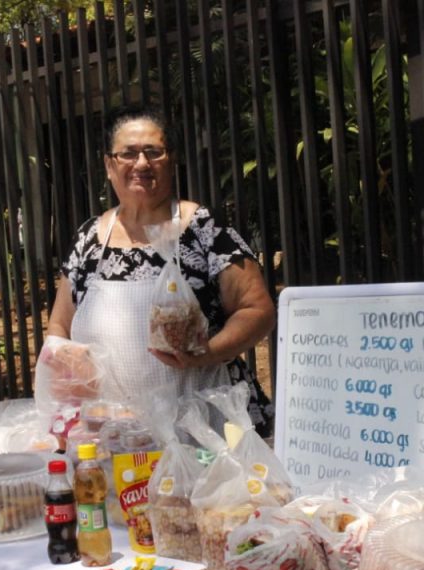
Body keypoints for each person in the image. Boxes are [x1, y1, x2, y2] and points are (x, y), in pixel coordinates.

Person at [45, 104, 277, 435]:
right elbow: (60, 324)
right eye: (128, 153)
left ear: (171, 162)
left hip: (207, 428)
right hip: (118, 434)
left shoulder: (203, 228)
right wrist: (68, 375)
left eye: (153, 152)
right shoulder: (89, 238)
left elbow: (258, 310)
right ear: (109, 165)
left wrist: (205, 353)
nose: (141, 163)